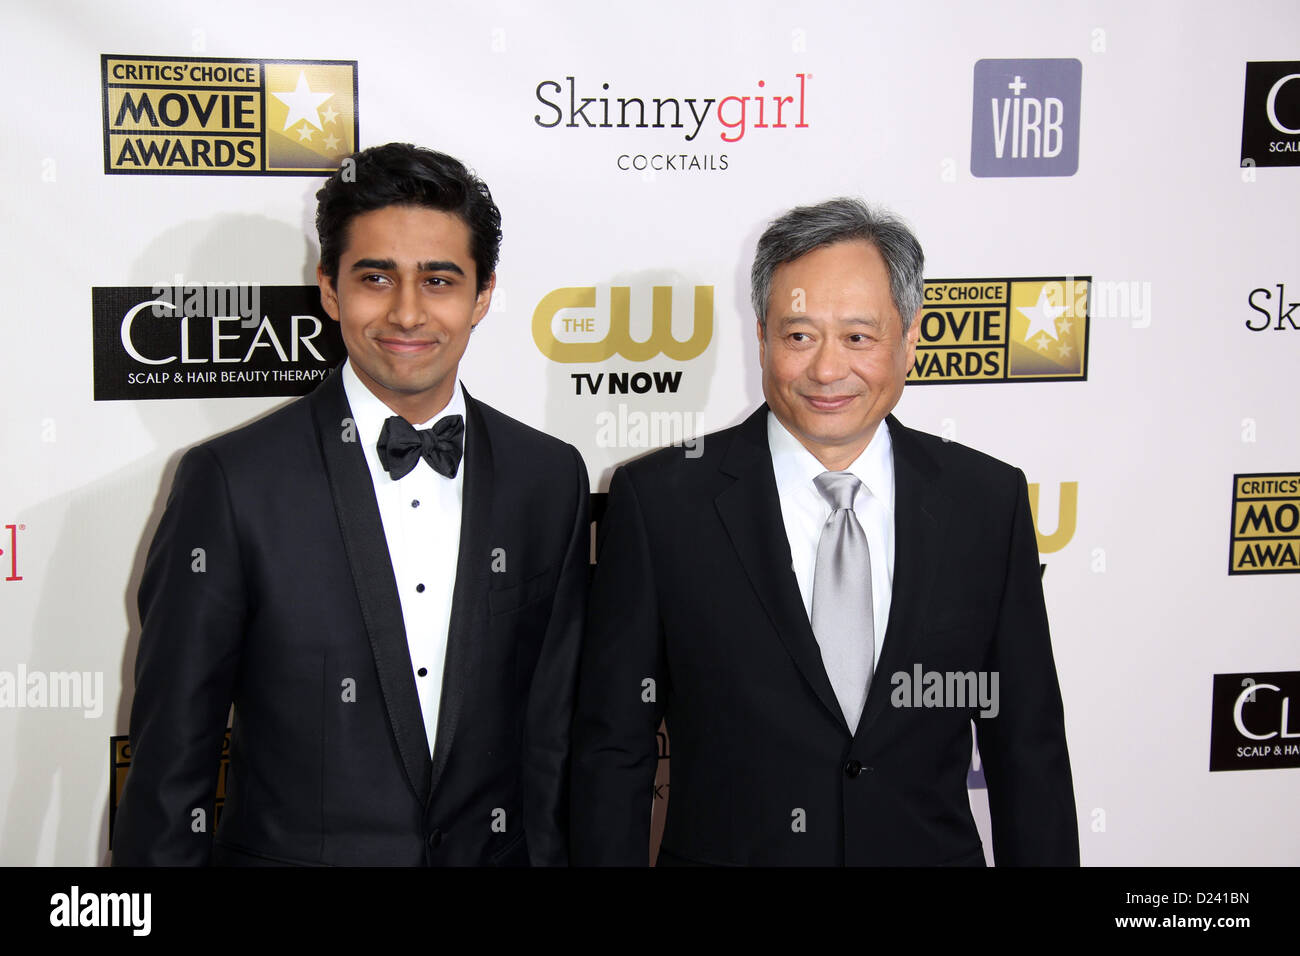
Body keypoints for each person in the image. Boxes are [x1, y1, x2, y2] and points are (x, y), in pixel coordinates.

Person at [114, 143, 589, 866]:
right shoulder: (231, 481)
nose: (406, 312)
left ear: (482, 296)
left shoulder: (548, 478)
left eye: (439, 280)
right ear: (331, 291)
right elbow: (170, 768)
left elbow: (551, 736)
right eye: (375, 278)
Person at [571, 197, 1078, 866]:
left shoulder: (986, 502)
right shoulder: (662, 501)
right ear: (761, 338)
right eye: (799, 335)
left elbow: (1027, 749)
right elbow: (614, 750)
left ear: (910, 338)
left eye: (859, 337)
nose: (827, 370)